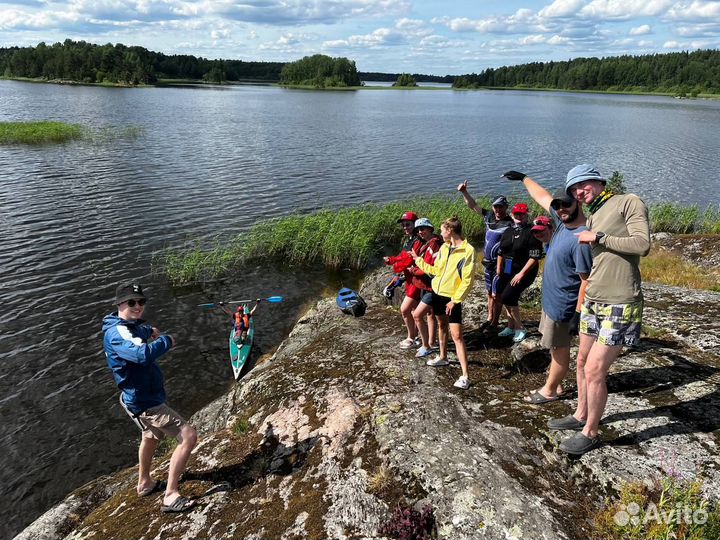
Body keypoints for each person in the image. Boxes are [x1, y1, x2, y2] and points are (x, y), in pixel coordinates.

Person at [549, 164, 651, 455]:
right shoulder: (592, 215)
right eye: (574, 190)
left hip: (621, 301)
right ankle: (580, 413)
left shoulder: (628, 202)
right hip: (594, 299)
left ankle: (591, 432)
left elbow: (643, 244)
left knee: (595, 369)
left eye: (583, 185)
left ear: (598, 181)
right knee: (582, 361)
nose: (580, 192)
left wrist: (600, 237)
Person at [103, 282, 198, 513]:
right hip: (145, 402)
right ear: (119, 304)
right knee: (188, 436)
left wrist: (150, 331)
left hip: (137, 397)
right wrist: (166, 340)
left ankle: (144, 483)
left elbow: (137, 331)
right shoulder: (116, 333)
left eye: (141, 302)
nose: (138, 306)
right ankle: (170, 496)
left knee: (151, 436)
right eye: (132, 302)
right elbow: (141, 354)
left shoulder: (127, 326)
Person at [502, 171, 593, 404]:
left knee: (559, 348)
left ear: (578, 204)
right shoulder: (563, 223)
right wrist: (524, 178)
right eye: (558, 205)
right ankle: (558, 383)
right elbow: (541, 196)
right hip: (550, 303)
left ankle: (550, 390)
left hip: (564, 306)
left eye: (566, 204)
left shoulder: (581, 237)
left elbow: (586, 280)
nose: (561, 208)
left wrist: (578, 312)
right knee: (553, 346)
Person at [412, 217, 475, 390]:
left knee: (457, 336)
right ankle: (443, 357)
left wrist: (455, 300)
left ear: (450, 230)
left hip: (452, 298)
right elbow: (436, 271)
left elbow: (468, 280)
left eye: (442, 230)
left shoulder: (467, 250)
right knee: (441, 326)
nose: (440, 233)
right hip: (438, 294)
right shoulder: (445, 247)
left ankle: (465, 376)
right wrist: (418, 260)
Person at [457, 181, 513, 334]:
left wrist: (508, 268)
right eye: (496, 206)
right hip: (488, 263)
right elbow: (473, 205)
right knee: (490, 293)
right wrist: (464, 192)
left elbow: (514, 247)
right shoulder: (489, 216)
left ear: (506, 207)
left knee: (497, 294)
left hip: (501, 264)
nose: (498, 209)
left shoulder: (511, 223)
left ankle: (495, 323)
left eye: (501, 206)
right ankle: (489, 318)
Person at [494, 203, 543, 342]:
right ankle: (510, 326)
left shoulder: (532, 232)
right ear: (512, 215)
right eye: (516, 214)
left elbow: (535, 257)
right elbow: (501, 251)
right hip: (508, 268)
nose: (519, 216)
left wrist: (521, 274)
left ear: (526, 214)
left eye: (522, 214)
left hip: (525, 271)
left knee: (509, 296)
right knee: (501, 295)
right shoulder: (508, 231)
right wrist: (499, 267)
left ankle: (520, 328)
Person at [384, 211, 423, 349]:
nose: (405, 227)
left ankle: (411, 338)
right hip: (409, 279)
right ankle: (419, 336)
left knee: (404, 310)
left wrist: (393, 264)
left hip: (416, 280)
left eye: (408, 224)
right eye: (403, 225)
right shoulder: (409, 239)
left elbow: (407, 261)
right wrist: (393, 260)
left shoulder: (418, 240)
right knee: (413, 310)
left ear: (415, 224)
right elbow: (402, 257)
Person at [408, 218, 444, 358]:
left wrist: (413, 270)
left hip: (431, 286)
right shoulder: (427, 243)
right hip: (426, 285)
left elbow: (428, 269)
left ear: (430, 228)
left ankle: (426, 346)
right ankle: (431, 342)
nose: (420, 232)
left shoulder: (434, 244)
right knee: (430, 314)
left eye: (423, 228)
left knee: (417, 315)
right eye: (418, 230)